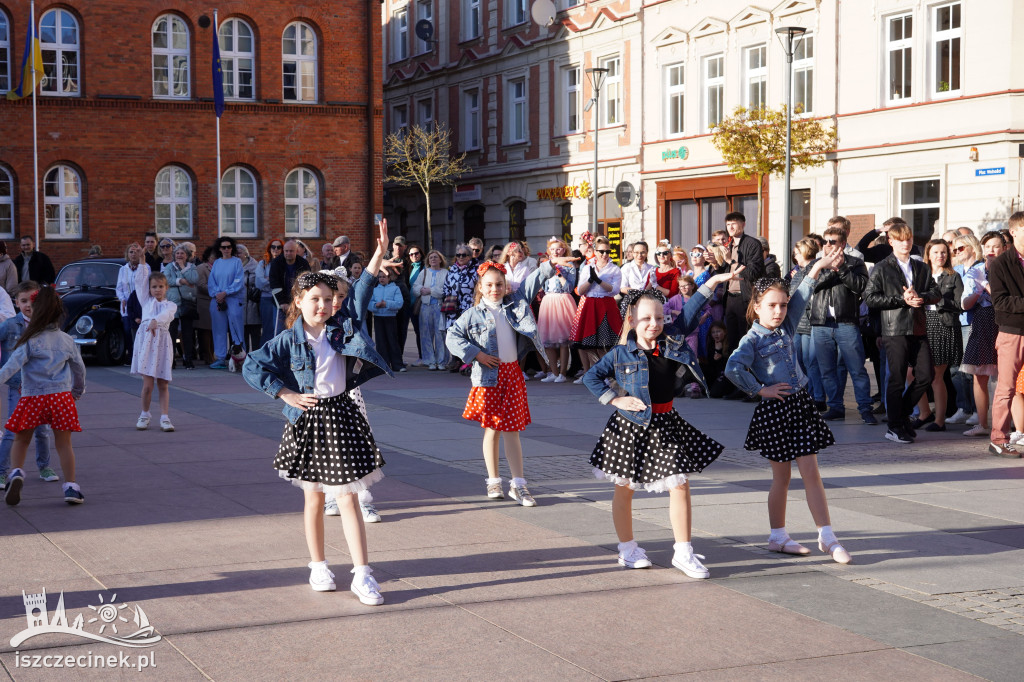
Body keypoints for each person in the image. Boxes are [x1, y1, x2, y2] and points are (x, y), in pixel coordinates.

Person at [242, 221, 394, 603]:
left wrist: (378, 253)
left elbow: (362, 288)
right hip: (308, 420)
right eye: (315, 299)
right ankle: (319, 565)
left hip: (341, 417)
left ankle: (362, 574)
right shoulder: (286, 340)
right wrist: (285, 393)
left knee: (347, 497)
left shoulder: (342, 326)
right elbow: (252, 365)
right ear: (299, 302)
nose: (324, 305)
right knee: (313, 497)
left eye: (328, 298)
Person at [583, 279, 735, 576]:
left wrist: (714, 282)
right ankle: (627, 549)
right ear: (632, 320)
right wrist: (615, 400)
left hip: (665, 423)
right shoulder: (620, 354)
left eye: (660, 318)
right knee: (625, 489)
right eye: (647, 318)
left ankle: (683, 551)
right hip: (630, 427)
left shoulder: (671, 340)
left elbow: (690, 313)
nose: (654, 324)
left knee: (679, 484)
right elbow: (592, 377)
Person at [725, 253, 853, 565]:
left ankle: (827, 535)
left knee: (812, 472)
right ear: (756, 306)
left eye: (782, 305)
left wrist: (818, 266)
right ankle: (778, 535)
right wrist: (760, 389)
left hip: (800, 405)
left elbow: (804, 293)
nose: (780, 311)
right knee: (781, 478)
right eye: (772, 305)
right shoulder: (752, 339)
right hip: (775, 411)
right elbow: (732, 368)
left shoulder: (787, 326)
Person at [446, 257, 575, 506]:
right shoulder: (472, 314)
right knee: (492, 429)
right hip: (488, 378)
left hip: (512, 374)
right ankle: (493, 480)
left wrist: (551, 263)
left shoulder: (515, 304)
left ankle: (519, 484)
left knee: (513, 430)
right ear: (481, 288)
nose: (495, 289)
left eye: (499, 284)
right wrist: (477, 354)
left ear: (506, 286)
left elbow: (534, 280)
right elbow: (453, 336)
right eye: (490, 285)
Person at [0, 286, 86, 506]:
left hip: (32, 397)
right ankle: (71, 487)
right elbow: (79, 370)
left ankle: (17, 472)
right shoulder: (67, 340)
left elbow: (11, 366)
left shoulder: (30, 340)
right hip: (61, 397)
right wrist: (76, 392)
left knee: (21, 439)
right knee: (64, 444)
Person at [863, 222, 942, 444]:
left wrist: (922, 297)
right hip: (894, 328)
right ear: (891, 242)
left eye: (908, 239)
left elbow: (936, 293)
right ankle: (895, 426)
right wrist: (901, 299)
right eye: (900, 239)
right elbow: (870, 298)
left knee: (926, 375)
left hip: (917, 327)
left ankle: (900, 417)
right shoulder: (881, 267)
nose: (905, 243)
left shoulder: (921, 267)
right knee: (896, 379)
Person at [808, 225, 876, 425]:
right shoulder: (815, 264)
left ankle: (865, 408)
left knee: (857, 369)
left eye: (833, 241)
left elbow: (862, 287)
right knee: (827, 370)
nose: (828, 245)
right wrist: (828, 267)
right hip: (821, 323)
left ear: (843, 244)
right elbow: (812, 284)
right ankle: (836, 407)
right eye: (825, 241)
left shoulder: (855, 263)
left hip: (846, 322)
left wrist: (842, 268)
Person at [0, 281, 55, 491]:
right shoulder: (10, 325)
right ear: (16, 303)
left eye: (31, 300)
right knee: (12, 430)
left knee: (42, 430)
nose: (27, 305)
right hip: (18, 386)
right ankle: (1, 471)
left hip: (40, 386)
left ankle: (45, 466)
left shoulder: (45, 325)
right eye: (23, 301)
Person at [914, 239, 963, 432]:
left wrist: (938, 300)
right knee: (913, 374)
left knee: (936, 376)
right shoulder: (920, 275)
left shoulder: (953, 276)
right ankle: (924, 413)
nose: (940, 256)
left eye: (943, 252)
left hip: (943, 325)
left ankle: (940, 421)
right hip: (921, 324)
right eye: (936, 252)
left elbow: (959, 305)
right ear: (928, 254)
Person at [987, 213, 1024, 456]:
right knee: (1006, 388)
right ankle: (998, 439)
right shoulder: (1000, 263)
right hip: (1012, 333)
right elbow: (999, 301)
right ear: (1013, 232)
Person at [960, 231, 1003, 438]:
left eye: (996, 246)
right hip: (982, 321)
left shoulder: (1009, 269)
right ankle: (981, 423)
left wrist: (987, 286)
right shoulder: (975, 271)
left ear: (1004, 248)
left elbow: (1002, 300)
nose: (991, 251)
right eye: (987, 247)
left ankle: (1006, 424)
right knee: (979, 375)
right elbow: (964, 304)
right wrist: (978, 290)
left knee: (1005, 375)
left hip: (1005, 322)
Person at [130, 263, 177, 432]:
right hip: (147, 344)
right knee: (148, 385)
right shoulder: (145, 301)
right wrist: (142, 262)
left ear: (166, 288)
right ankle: (144, 414)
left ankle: (165, 417)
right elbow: (139, 282)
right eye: (154, 287)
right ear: (149, 289)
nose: (157, 290)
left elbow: (166, 316)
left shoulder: (170, 305)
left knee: (163, 384)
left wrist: (155, 321)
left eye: (161, 287)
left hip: (162, 344)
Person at [570, 236, 622, 382]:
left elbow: (614, 290)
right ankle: (596, 373)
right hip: (590, 306)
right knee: (588, 344)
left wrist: (599, 280)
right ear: (596, 251)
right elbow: (580, 290)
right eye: (601, 251)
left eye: (607, 251)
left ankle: (607, 374)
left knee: (603, 345)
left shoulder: (614, 269)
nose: (604, 254)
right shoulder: (587, 268)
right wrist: (591, 280)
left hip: (606, 305)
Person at [948, 233, 983, 424]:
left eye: (960, 248)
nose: (956, 252)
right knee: (956, 368)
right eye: (955, 249)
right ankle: (963, 407)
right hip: (955, 322)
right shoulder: (956, 269)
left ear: (972, 247)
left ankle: (977, 410)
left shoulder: (980, 268)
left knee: (971, 368)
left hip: (971, 322)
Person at [717, 212, 765, 347]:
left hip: (745, 298)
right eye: (728, 224)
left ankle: (747, 368)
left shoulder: (753, 244)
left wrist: (730, 261)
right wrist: (715, 263)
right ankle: (733, 368)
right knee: (731, 340)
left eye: (733, 223)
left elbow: (753, 273)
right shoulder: (729, 244)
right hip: (729, 298)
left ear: (743, 224)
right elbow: (723, 272)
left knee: (746, 339)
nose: (730, 227)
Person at [790, 239, 827, 411]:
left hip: (809, 322)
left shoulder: (814, 268)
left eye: (797, 252)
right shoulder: (798, 272)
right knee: (799, 362)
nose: (794, 255)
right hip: (797, 323)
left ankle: (817, 397)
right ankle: (805, 395)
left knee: (811, 362)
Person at [537, 238, 577, 383]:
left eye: (558, 249)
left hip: (563, 300)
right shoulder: (545, 265)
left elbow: (570, 287)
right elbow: (540, 284)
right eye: (552, 249)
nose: (555, 251)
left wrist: (559, 274)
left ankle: (562, 373)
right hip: (549, 301)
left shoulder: (569, 266)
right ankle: (553, 372)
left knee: (563, 341)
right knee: (547, 340)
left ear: (564, 250)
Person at [207, 238, 246, 369]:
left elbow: (238, 281)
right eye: (223, 247)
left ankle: (240, 357)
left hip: (233, 299)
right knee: (218, 329)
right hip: (217, 300)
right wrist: (218, 294)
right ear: (219, 249)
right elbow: (211, 282)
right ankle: (220, 357)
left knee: (236, 328)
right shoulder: (217, 263)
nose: (226, 249)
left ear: (232, 248)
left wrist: (226, 292)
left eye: (229, 247)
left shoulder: (237, 262)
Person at [441, 245, 479, 369]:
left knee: (467, 332)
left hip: (468, 306)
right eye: (458, 255)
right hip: (453, 307)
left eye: (464, 255)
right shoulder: (452, 270)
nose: (460, 257)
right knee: (452, 331)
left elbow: (478, 288)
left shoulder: (476, 269)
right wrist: (449, 297)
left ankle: (467, 360)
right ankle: (455, 358)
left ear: (469, 256)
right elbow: (446, 286)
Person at [411, 250, 448, 369]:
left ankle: (441, 361)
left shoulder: (445, 273)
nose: (433, 259)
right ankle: (430, 361)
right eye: (431, 257)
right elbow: (415, 287)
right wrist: (422, 289)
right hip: (425, 307)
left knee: (440, 334)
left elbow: (445, 290)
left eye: (435, 257)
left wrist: (431, 291)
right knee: (426, 334)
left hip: (439, 307)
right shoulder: (424, 272)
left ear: (440, 259)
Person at [165, 245, 198, 369]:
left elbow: (194, 279)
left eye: (182, 253)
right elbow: (167, 280)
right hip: (172, 303)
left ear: (187, 255)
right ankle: (171, 359)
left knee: (187, 333)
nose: (179, 255)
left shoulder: (191, 267)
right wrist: (182, 281)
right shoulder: (169, 267)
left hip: (187, 303)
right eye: (177, 253)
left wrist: (183, 268)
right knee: (171, 333)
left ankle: (188, 359)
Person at [269, 240, 311, 333]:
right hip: (280, 304)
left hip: (297, 303)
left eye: (291, 251)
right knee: (279, 331)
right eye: (286, 251)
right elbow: (274, 283)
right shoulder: (276, 263)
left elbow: (306, 284)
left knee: (299, 331)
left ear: (296, 251)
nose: (288, 253)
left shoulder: (303, 264)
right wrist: (282, 302)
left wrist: (299, 301)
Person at [370, 269, 406, 372]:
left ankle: (397, 364)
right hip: (378, 318)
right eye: (380, 277)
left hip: (390, 317)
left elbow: (399, 303)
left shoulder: (395, 288)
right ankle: (383, 365)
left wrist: (387, 304)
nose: (381, 279)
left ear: (389, 278)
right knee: (380, 342)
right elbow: (369, 303)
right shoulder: (375, 289)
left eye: (384, 277)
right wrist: (375, 305)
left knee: (392, 341)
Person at [116, 243, 145, 359]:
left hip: (140, 304)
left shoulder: (145, 267)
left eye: (136, 252)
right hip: (127, 304)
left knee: (140, 330)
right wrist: (122, 299)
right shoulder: (123, 269)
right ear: (127, 254)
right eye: (131, 252)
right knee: (128, 330)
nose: (133, 254)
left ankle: (142, 357)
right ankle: (131, 356)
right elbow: (119, 288)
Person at [256, 239, 284, 346]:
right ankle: (266, 353)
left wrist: (268, 279)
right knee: (267, 328)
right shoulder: (263, 264)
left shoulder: (284, 264)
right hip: (266, 298)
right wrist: (273, 281)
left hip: (280, 299)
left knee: (279, 328)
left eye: (278, 247)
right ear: (269, 249)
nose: (276, 249)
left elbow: (283, 282)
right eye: (273, 247)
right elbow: (259, 282)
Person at [700, 321, 734, 399]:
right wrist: (716, 351)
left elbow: (729, 364)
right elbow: (711, 364)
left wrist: (720, 353)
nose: (716, 334)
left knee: (715, 393)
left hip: (726, 373)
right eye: (713, 332)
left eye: (718, 331)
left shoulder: (729, 343)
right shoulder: (711, 344)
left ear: (724, 332)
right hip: (715, 373)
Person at [237, 245, 262, 352]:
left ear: (246, 254)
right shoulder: (234, 266)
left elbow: (259, 283)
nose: (237, 255)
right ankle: (244, 356)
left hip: (253, 304)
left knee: (255, 333)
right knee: (243, 334)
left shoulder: (255, 266)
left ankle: (256, 356)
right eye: (235, 253)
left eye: (239, 253)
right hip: (239, 304)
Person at [195, 247, 216, 364]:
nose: (215, 259)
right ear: (208, 257)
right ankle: (207, 356)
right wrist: (217, 291)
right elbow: (201, 285)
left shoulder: (219, 268)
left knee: (214, 331)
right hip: (204, 302)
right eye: (213, 256)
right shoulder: (201, 268)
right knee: (205, 331)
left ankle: (213, 354)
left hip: (217, 302)